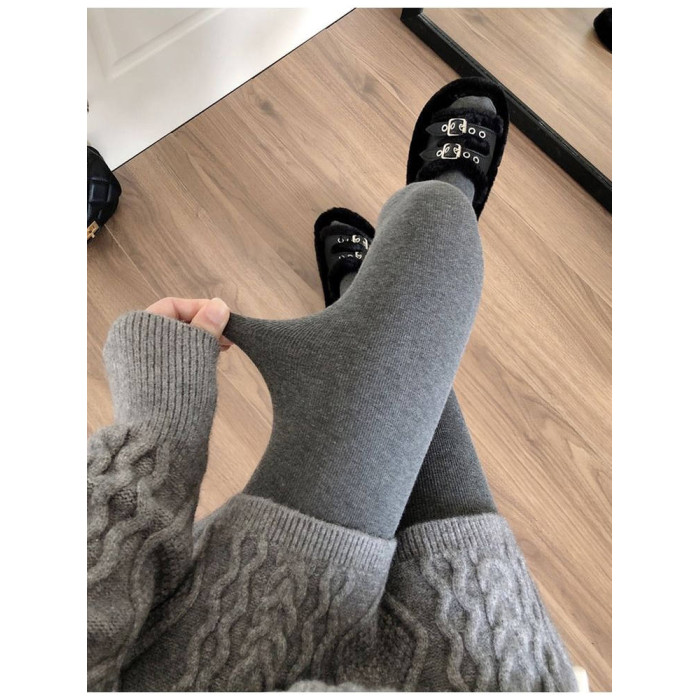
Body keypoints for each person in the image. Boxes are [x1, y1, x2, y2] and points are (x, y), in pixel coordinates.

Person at [87, 78, 578, 692]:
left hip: (253, 623)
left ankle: (360, 293)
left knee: (406, 328)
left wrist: (156, 437)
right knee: (430, 258)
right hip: (492, 662)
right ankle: (383, 266)